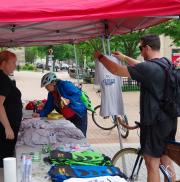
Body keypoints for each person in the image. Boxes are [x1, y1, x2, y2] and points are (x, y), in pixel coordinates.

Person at [94, 34, 177, 182]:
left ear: (148, 48)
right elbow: (140, 67)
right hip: (169, 121)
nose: (140, 52)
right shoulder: (166, 63)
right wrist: (124, 57)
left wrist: (100, 57)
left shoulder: (148, 68)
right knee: (166, 160)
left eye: (141, 48)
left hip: (153, 124)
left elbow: (116, 70)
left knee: (152, 164)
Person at [32, 72, 88, 136]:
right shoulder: (51, 93)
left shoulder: (65, 85)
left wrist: (70, 100)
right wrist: (39, 114)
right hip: (68, 117)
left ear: (53, 83)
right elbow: (48, 107)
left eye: (47, 86)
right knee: (71, 135)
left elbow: (78, 93)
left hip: (79, 115)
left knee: (81, 136)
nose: (46, 88)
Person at [0, 50, 23, 168]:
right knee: (4, 159)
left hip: (7, 127)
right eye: (13, 62)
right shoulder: (2, 79)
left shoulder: (4, 77)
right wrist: (8, 127)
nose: (15, 66)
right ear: (3, 63)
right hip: (5, 130)